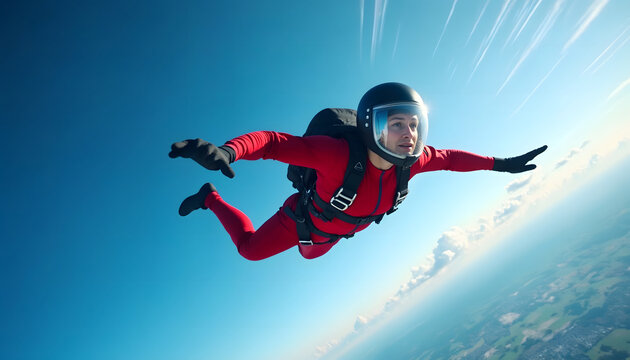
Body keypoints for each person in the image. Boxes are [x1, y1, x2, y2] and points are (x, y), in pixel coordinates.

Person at [169, 82, 547, 261]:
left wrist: (499, 164)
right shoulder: (337, 156)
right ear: (371, 126)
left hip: (340, 229)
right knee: (250, 251)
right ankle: (210, 198)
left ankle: (320, 241)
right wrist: (228, 151)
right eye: (396, 123)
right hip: (307, 221)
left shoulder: (414, 162)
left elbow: (450, 158)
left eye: (414, 124)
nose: (409, 134)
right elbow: (271, 142)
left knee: (310, 256)